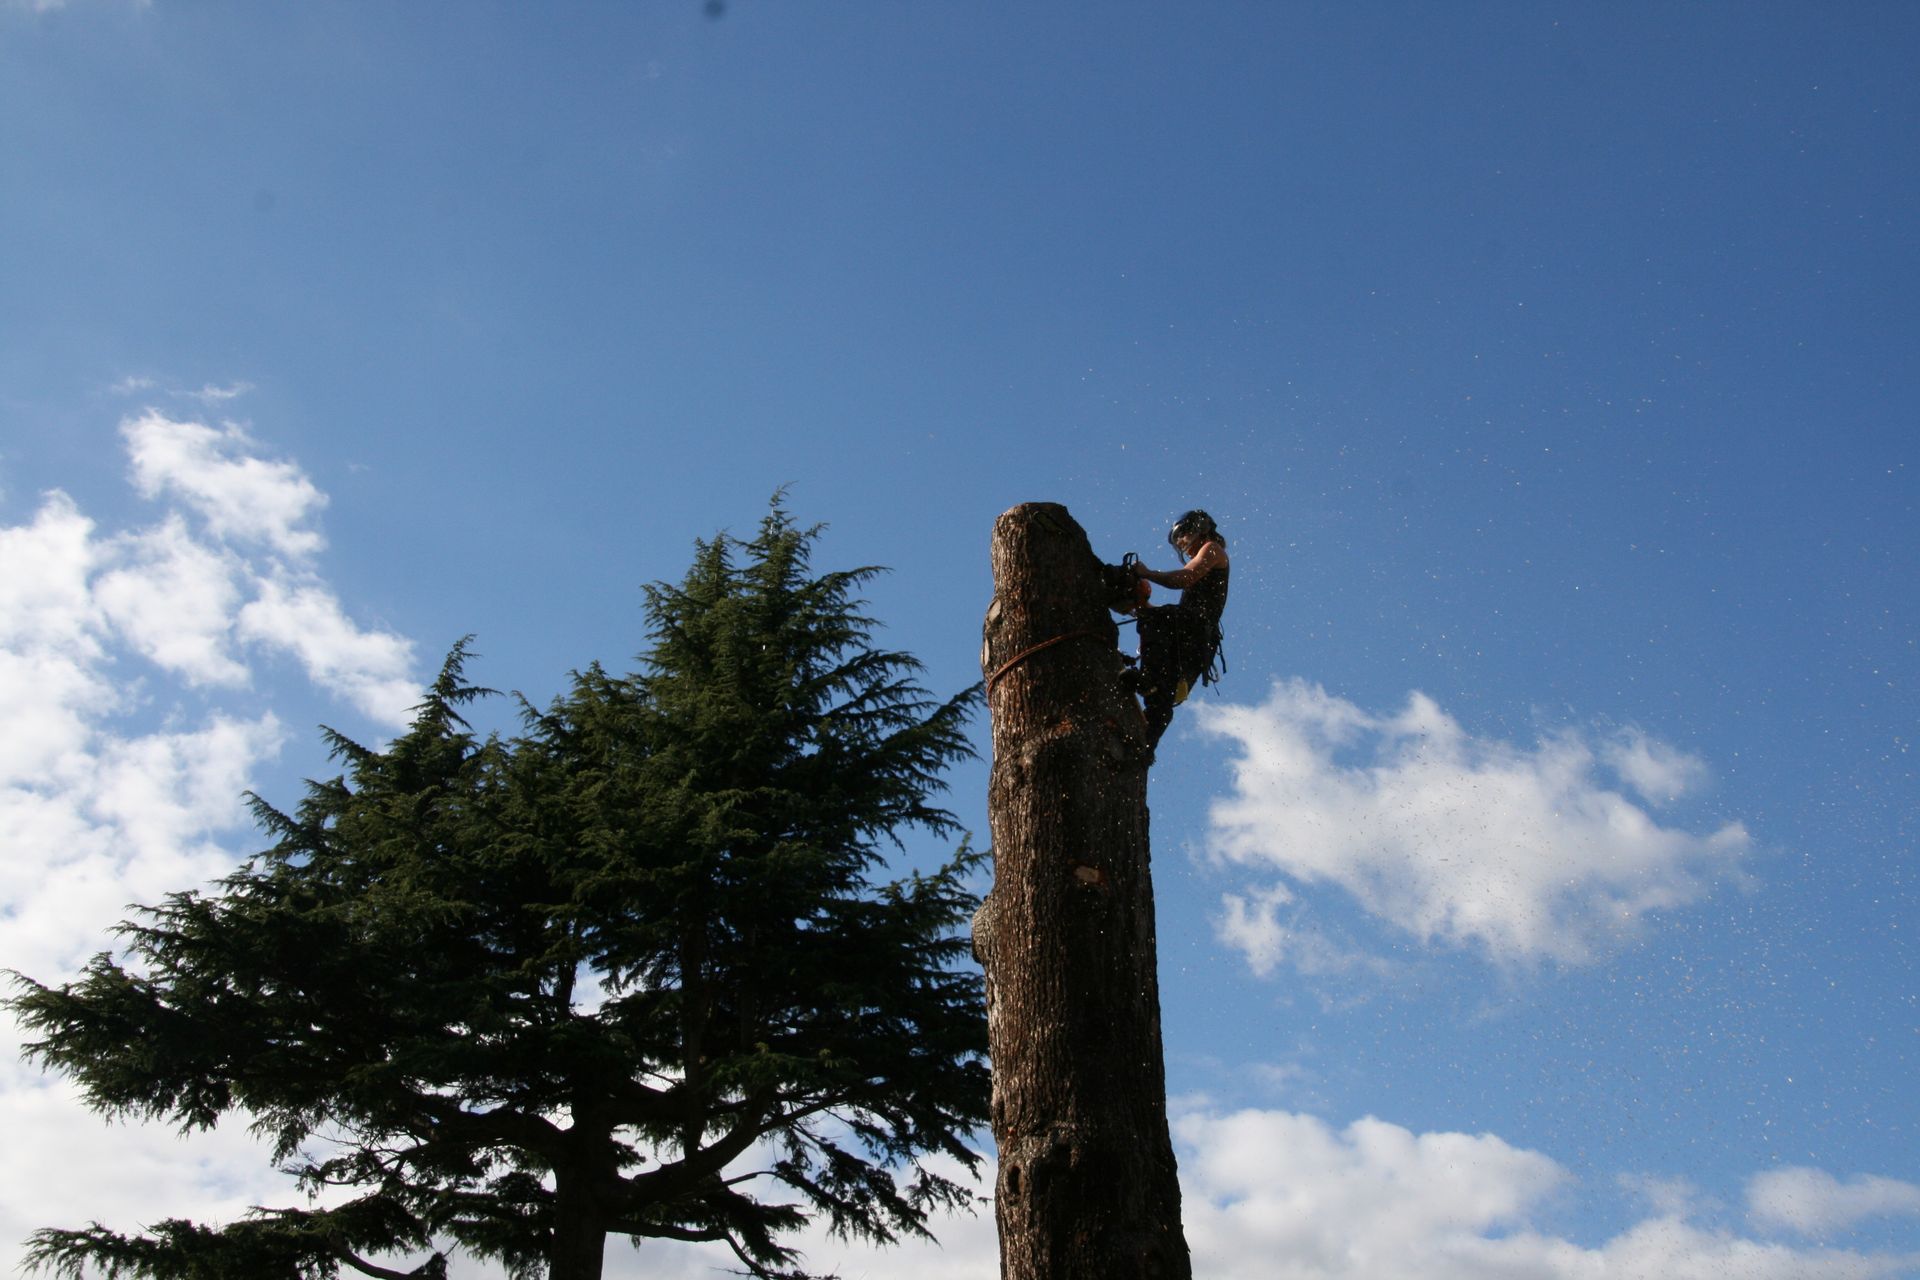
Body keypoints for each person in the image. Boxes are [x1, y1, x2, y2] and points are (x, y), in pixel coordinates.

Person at [1124, 509, 1229, 756]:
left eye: (1183, 534)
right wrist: (1138, 605)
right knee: (1162, 698)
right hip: (1192, 638)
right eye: (1177, 539)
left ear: (1201, 529)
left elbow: (1183, 578)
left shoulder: (1213, 549)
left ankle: (1147, 680)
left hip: (1195, 633)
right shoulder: (1205, 558)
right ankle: (1143, 748)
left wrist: (1147, 574)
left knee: (1158, 620)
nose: (1181, 542)